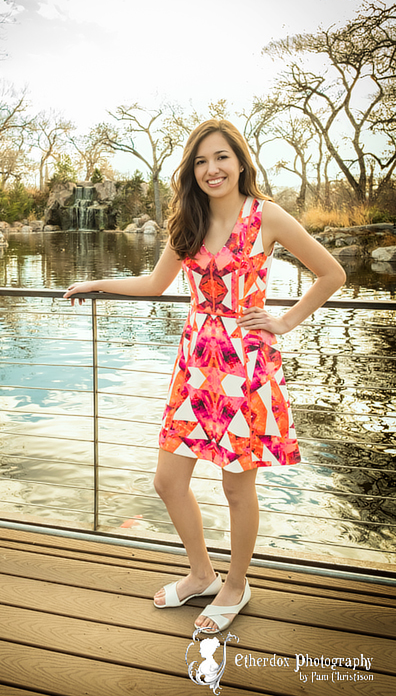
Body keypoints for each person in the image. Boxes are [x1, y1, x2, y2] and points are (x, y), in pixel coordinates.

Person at [64, 119, 346, 633]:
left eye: (220, 158)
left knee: (238, 491)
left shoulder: (268, 217)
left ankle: (237, 585)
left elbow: (332, 274)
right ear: (191, 172)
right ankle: (202, 574)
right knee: (167, 481)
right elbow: (154, 283)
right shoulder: (187, 222)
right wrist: (94, 281)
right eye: (200, 161)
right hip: (195, 368)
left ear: (240, 162)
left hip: (247, 370)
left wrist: (283, 321)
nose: (211, 169)